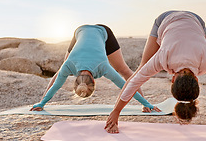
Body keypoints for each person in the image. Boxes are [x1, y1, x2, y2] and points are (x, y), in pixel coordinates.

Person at [105, 11, 206, 135]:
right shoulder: (167, 57)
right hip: (165, 21)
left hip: (196, 21)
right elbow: (134, 82)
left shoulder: (169, 58)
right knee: (142, 67)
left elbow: (135, 82)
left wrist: (116, 111)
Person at [30, 24, 160, 112]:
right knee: (60, 72)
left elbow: (124, 85)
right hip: (80, 32)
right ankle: (41, 102)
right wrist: (41, 104)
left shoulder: (102, 66)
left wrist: (146, 103)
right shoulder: (70, 64)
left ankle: (145, 107)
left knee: (123, 70)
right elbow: (124, 86)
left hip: (103, 32)